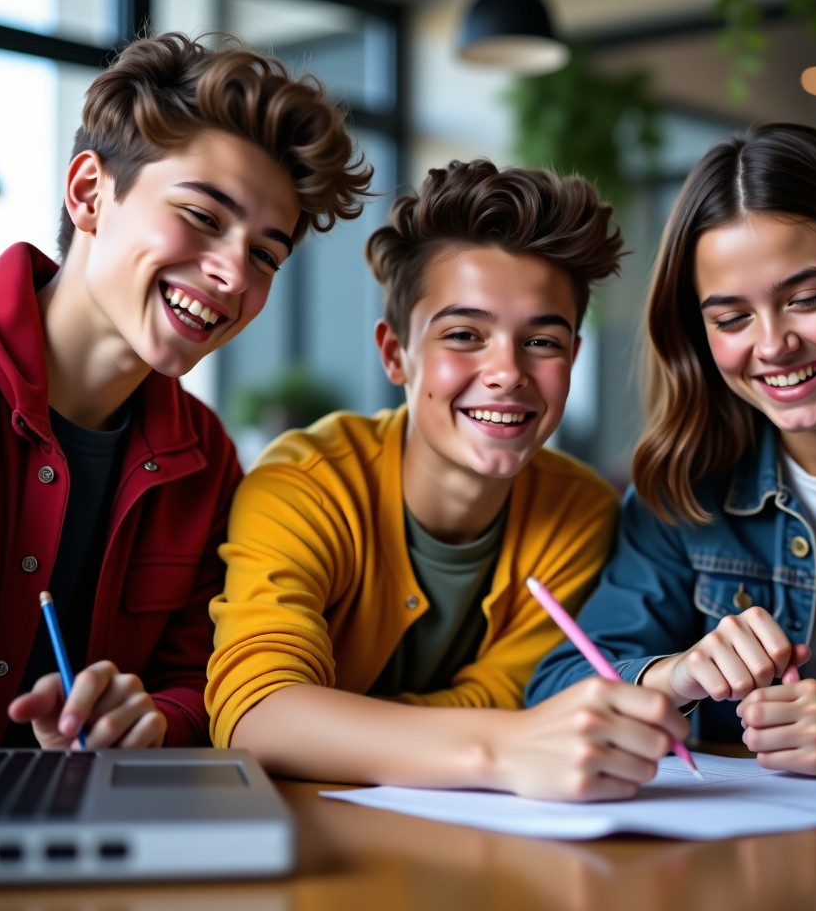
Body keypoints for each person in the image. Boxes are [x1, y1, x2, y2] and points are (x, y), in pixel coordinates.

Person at [206, 158, 690, 801]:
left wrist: (336, 724)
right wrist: (502, 749)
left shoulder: (583, 514)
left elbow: (511, 696)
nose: (506, 372)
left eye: (542, 342)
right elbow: (257, 716)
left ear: (573, 357)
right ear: (394, 353)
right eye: (464, 334)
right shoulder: (306, 484)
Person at [0, 30, 372, 749]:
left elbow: (200, 684)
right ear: (89, 193)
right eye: (203, 218)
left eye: (265, 255)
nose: (235, 277)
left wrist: (148, 718)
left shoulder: (206, 461)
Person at [528, 121, 816, 778]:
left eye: (806, 299)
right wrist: (673, 675)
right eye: (732, 318)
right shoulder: (685, 483)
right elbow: (560, 684)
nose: (772, 346)